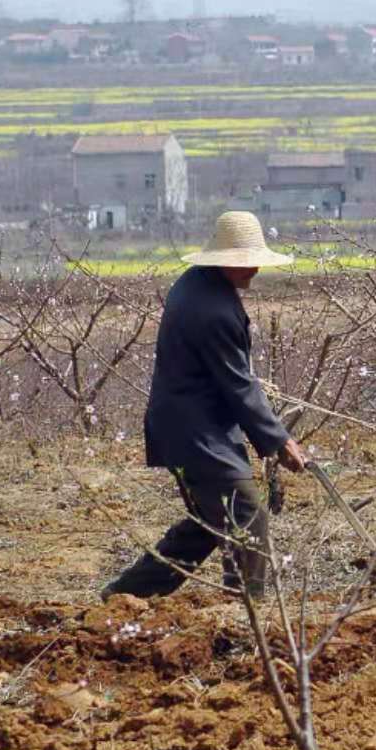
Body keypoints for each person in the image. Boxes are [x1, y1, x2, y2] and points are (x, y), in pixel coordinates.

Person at [100, 211, 308, 601]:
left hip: (188, 426)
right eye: (247, 261)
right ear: (226, 259)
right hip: (195, 432)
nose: (255, 268)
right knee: (248, 518)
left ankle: (126, 596)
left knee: (209, 525)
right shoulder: (212, 309)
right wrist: (280, 442)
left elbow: (231, 376)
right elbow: (238, 386)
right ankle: (244, 613)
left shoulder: (198, 286)